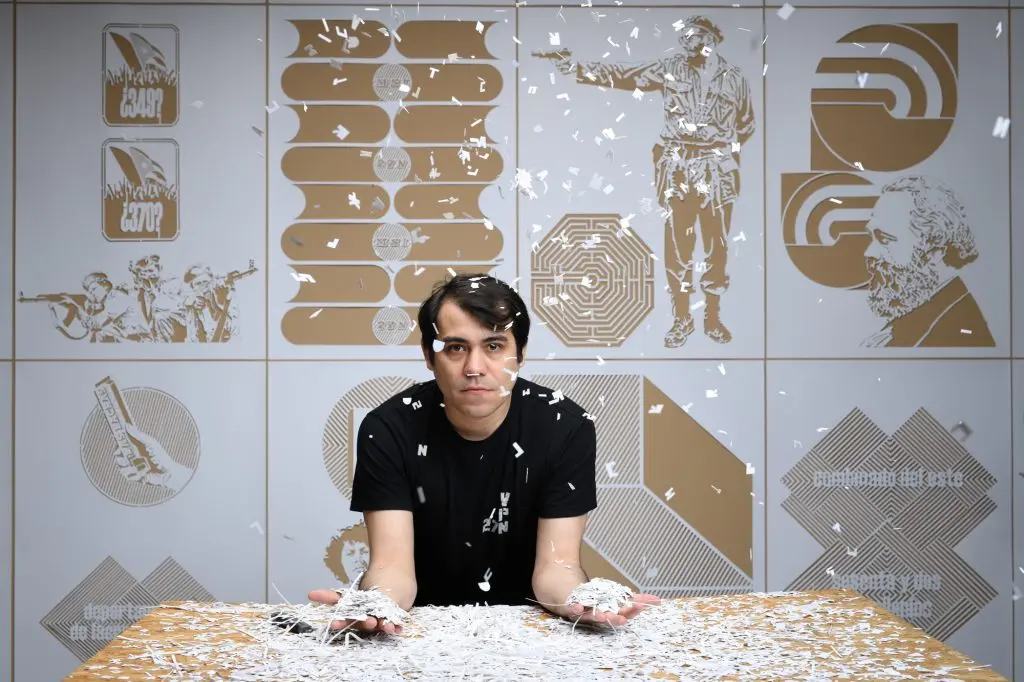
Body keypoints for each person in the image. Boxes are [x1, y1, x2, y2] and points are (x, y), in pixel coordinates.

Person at [308, 274, 659, 634]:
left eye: (493, 346)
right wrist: (378, 606)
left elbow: (557, 565)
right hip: (418, 628)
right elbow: (391, 566)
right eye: (456, 347)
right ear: (429, 356)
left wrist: (581, 602)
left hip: (531, 628)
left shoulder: (564, 426)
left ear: (520, 354)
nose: (474, 368)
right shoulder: (388, 429)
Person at [539, 15, 755, 348]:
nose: (688, 41)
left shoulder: (735, 78)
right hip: (680, 167)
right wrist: (576, 68)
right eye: (685, 36)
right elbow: (625, 75)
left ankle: (712, 318)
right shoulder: (672, 68)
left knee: (718, 247)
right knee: (679, 248)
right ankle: (682, 320)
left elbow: (746, 124)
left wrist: (723, 153)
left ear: (712, 38)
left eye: (695, 36)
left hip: (717, 171)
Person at [860, 174, 993, 348]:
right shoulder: (905, 329)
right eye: (871, 237)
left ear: (935, 248)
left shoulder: (956, 333)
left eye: (885, 239)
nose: (869, 253)